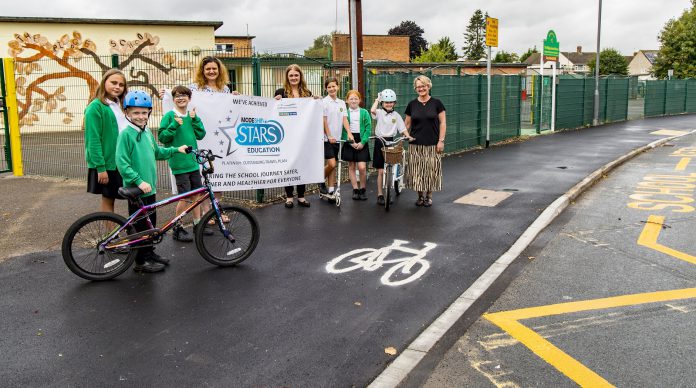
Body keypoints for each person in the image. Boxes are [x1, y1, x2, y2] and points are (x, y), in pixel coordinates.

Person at [116, 90, 189, 273]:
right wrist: (138, 181)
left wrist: (176, 150)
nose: (140, 116)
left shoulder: (147, 131)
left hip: (150, 189)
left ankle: (149, 253)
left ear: (149, 112)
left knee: (150, 224)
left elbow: (157, 152)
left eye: (144, 112)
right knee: (140, 227)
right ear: (127, 113)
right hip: (137, 189)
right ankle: (141, 261)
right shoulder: (126, 134)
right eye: (135, 113)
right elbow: (122, 163)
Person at [158, 85, 206, 242]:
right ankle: (177, 227)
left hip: (192, 162)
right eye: (177, 96)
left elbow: (201, 134)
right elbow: (163, 137)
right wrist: (174, 125)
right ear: (173, 99)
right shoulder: (170, 116)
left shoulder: (191, 116)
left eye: (184, 95)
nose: (180, 98)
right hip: (179, 163)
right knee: (185, 197)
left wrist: (195, 119)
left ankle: (198, 224)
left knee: (197, 195)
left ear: (189, 98)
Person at [84, 68, 129, 213]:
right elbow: (93, 140)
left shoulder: (118, 104)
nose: (117, 87)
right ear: (104, 83)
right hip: (107, 164)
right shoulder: (95, 107)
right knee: (108, 198)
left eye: (121, 85)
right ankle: (112, 235)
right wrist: (101, 168)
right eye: (113, 83)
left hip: (121, 160)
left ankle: (131, 231)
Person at [274, 64, 314, 208]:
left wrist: (316, 101)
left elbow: (312, 112)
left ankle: (302, 196)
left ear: (300, 76)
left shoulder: (307, 93)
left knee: (301, 166)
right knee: (289, 166)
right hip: (286, 136)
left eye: (296, 75)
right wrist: (275, 101)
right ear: (287, 77)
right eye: (291, 75)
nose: (293, 78)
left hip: (303, 137)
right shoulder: (281, 92)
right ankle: (289, 197)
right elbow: (273, 111)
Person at [404, 75, 446, 207]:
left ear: (428, 86)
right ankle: (420, 197)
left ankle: (429, 196)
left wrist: (441, 140)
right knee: (417, 171)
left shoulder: (437, 103)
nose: (421, 89)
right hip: (415, 144)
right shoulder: (412, 104)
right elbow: (407, 124)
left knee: (430, 171)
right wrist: (403, 136)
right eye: (418, 87)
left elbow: (443, 122)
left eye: (423, 86)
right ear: (415, 88)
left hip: (433, 143)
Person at [370, 88, 412, 205]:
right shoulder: (379, 112)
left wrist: (408, 136)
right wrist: (377, 100)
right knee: (380, 170)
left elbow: (403, 129)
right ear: (382, 103)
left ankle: (392, 184)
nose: (388, 104)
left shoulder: (396, 115)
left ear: (394, 103)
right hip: (380, 141)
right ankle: (380, 194)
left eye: (391, 102)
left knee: (391, 166)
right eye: (386, 102)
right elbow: (372, 110)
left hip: (391, 141)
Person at [320, 77, 350, 201]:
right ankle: (320, 180)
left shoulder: (341, 103)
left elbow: (344, 119)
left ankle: (331, 189)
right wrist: (329, 135)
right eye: (329, 87)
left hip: (337, 139)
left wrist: (349, 133)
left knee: (333, 165)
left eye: (334, 86)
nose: (332, 89)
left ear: (338, 87)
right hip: (327, 139)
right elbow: (324, 120)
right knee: (332, 164)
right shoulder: (324, 102)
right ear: (326, 89)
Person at [341, 90, 371, 201]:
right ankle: (355, 189)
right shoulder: (344, 113)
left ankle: (363, 189)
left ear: (359, 100)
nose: (353, 100)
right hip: (350, 141)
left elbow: (368, 128)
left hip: (361, 140)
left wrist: (363, 142)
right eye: (351, 98)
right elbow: (343, 129)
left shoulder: (364, 112)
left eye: (356, 98)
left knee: (362, 167)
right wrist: (351, 142)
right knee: (352, 166)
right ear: (347, 100)